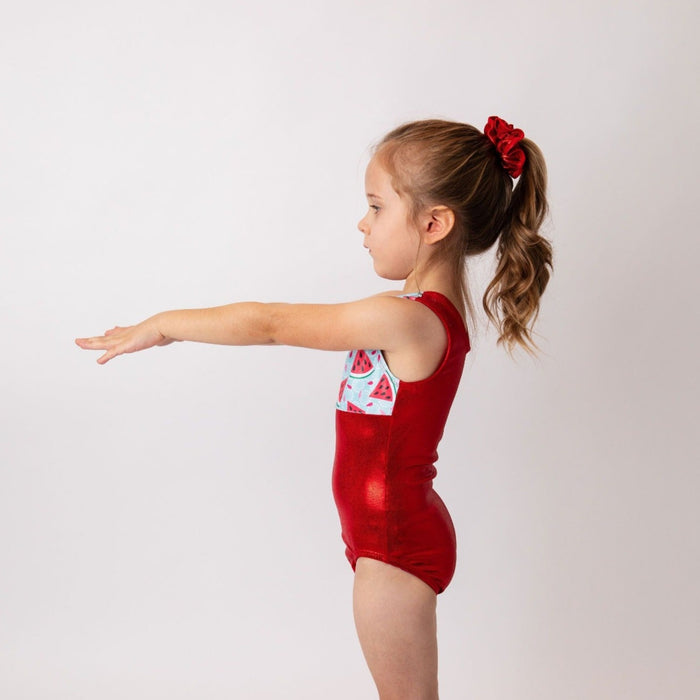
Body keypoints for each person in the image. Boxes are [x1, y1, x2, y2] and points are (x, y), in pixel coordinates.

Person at [75, 116, 553, 700]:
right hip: (387, 534)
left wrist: (164, 325)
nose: (363, 222)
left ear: (433, 223)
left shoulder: (407, 319)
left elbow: (272, 324)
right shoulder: (409, 312)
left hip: (392, 544)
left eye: (376, 207)